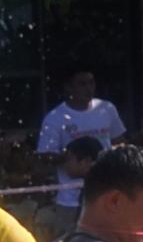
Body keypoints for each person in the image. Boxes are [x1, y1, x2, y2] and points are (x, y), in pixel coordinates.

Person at [36, 70, 123, 212]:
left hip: (107, 194)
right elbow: (45, 155)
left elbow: (120, 141)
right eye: (82, 84)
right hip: (71, 200)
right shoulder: (55, 117)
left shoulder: (107, 109)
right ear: (68, 87)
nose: (89, 88)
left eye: (91, 83)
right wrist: (75, 158)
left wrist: (108, 158)